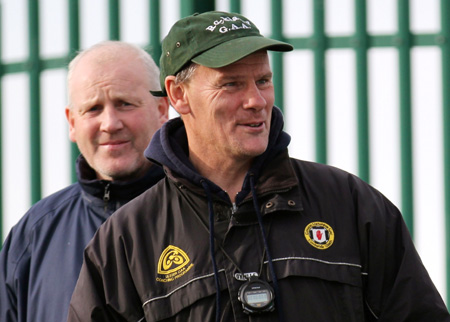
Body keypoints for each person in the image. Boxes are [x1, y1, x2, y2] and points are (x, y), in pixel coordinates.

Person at [67, 11, 450, 321]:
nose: (256, 100)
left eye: (263, 80)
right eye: (231, 84)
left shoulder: (350, 204)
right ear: (179, 95)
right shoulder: (126, 240)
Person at [0, 40, 169, 322]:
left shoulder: (203, 214)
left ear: (162, 109)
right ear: (72, 122)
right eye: (93, 109)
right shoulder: (34, 234)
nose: (110, 123)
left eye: (125, 103)